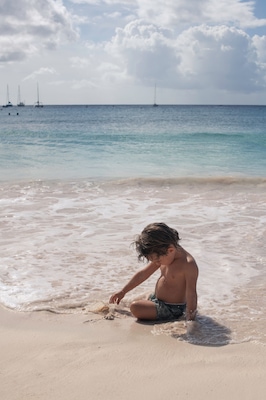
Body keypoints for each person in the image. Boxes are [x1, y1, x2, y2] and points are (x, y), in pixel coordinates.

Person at [109, 222, 198, 323]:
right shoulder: (164, 253)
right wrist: (123, 291)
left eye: (158, 261)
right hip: (155, 299)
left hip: (172, 309)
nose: (156, 263)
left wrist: (191, 321)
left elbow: (192, 294)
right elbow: (143, 274)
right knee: (126, 303)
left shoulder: (188, 265)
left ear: (171, 250)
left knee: (135, 307)